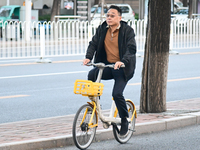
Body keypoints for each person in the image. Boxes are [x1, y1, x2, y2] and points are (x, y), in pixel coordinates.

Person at [83, 5, 136, 136]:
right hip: (107, 66)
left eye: (112, 15)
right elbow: (93, 43)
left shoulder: (127, 30)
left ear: (119, 17)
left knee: (117, 94)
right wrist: (88, 58)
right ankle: (96, 105)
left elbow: (131, 49)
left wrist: (122, 61)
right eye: (108, 15)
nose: (109, 18)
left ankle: (124, 119)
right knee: (92, 74)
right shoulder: (102, 29)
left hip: (122, 68)